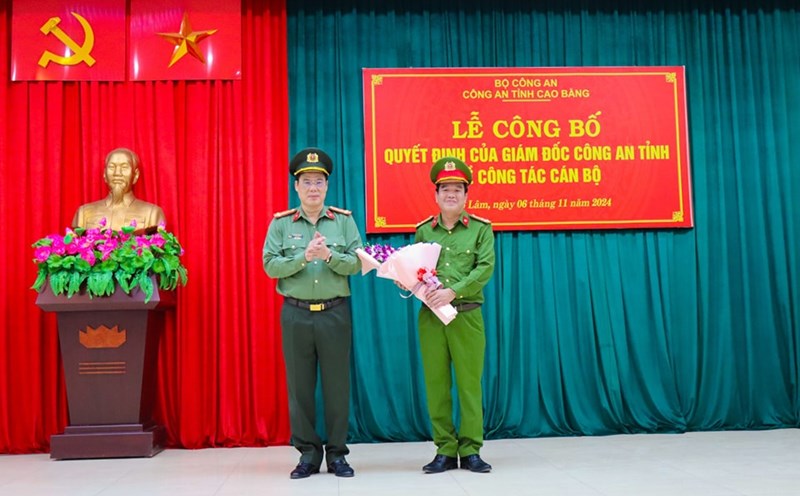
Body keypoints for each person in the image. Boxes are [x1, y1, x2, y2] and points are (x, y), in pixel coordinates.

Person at [262, 147, 362, 480]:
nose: (313, 188)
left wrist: (329, 255)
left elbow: (359, 263)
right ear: (296, 186)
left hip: (335, 313)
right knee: (300, 387)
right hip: (296, 315)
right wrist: (304, 257)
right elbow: (270, 265)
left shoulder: (344, 222)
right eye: (307, 182)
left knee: (337, 387)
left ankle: (337, 455)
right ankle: (307, 453)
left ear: (327, 186)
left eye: (319, 182)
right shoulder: (281, 224)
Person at [414, 156, 495, 474]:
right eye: (445, 188)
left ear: (466, 195)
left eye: (457, 189)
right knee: (436, 384)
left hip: (467, 315)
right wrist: (403, 277)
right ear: (436, 194)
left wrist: (454, 291)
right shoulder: (423, 231)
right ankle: (445, 450)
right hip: (431, 318)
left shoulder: (481, 230)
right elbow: (416, 269)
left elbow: (485, 267)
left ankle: (471, 449)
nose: (451, 194)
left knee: (468, 385)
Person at [72, 147, 166, 230]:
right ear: (104, 174)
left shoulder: (152, 213)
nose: (117, 173)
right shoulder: (84, 213)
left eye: (124, 167)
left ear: (135, 175)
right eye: (112, 167)